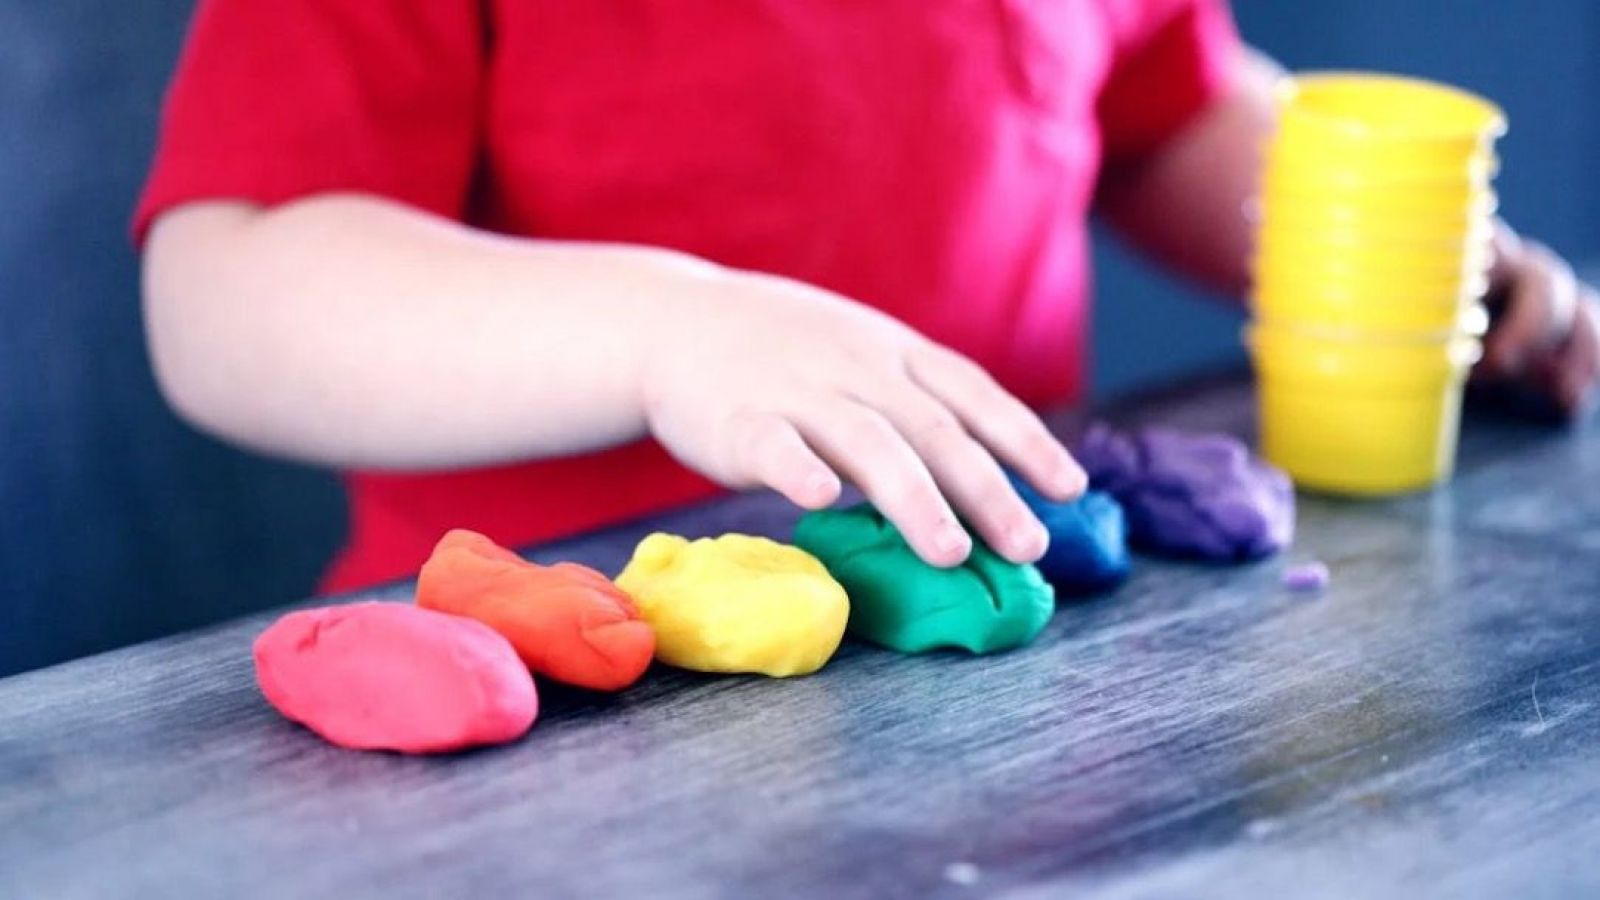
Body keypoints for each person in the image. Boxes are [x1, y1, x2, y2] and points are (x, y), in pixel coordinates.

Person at [136, 1, 1599, 593]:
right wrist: (667, 334)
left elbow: (1161, 112)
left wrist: (1403, 264)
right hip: (547, 673)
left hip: (1007, 639)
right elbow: (228, 295)